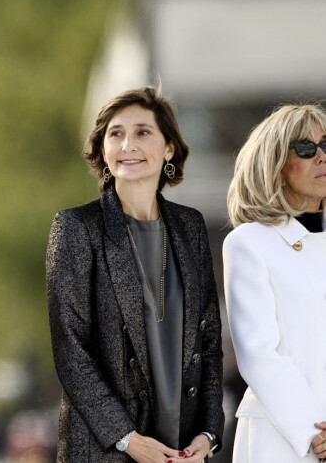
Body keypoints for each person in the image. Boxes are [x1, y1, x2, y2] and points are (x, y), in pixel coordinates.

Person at [46, 87, 224, 462]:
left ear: (169, 148)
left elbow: (208, 342)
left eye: (143, 132)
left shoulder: (190, 227)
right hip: (106, 450)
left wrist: (209, 433)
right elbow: (71, 351)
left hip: (182, 449)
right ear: (103, 150)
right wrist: (128, 439)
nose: (128, 144)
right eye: (116, 133)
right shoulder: (77, 227)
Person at [224, 103, 326, 462]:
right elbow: (259, 352)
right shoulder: (249, 242)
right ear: (275, 166)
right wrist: (314, 431)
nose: (321, 156)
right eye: (305, 148)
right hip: (283, 439)